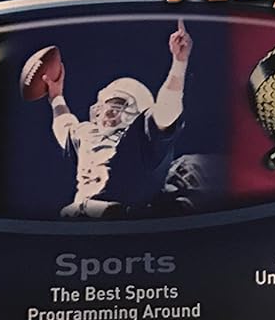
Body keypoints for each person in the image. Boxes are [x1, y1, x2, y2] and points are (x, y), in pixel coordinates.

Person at [44, 20, 193, 218]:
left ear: (136, 111)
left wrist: (179, 64)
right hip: (83, 217)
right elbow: (64, 125)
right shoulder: (88, 135)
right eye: (104, 105)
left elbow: (167, 110)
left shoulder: (139, 139)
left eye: (115, 106)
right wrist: (56, 96)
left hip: (126, 218)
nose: (106, 112)